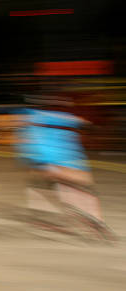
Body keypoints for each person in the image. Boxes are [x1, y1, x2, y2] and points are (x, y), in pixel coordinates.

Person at [16, 94, 115, 240]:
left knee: (56, 185)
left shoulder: (31, 118)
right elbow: (83, 122)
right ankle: (95, 219)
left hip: (47, 162)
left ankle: (74, 212)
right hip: (69, 160)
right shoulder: (63, 117)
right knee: (82, 187)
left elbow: (25, 143)